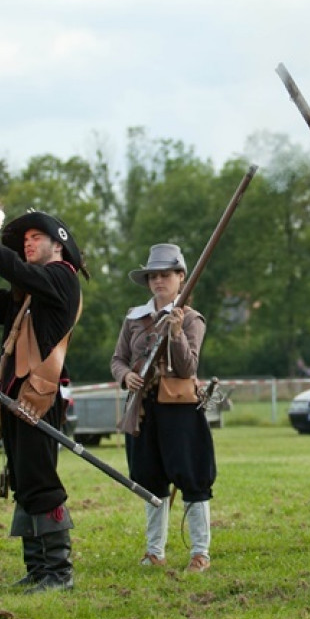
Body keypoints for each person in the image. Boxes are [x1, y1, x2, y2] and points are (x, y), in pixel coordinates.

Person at [0, 210, 87, 593]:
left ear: (57, 245)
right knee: (24, 479)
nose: (27, 244)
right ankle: (38, 567)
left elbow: (26, 273)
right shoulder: (29, 294)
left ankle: (59, 571)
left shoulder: (61, 278)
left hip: (40, 395)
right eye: (23, 239)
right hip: (14, 396)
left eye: (35, 238)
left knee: (41, 479)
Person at [111, 244, 216, 572]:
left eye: (165, 275)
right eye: (153, 276)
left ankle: (200, 552)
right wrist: (126, 376)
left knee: (193, 480)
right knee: (149, 480)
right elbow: (118, 360)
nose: (158, 281)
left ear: (181, 277)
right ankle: (154, 551)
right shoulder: (134, 317)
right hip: (143, 409)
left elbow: (188, 368)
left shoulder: (192, 320)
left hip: (180, 409)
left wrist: (174, 332)